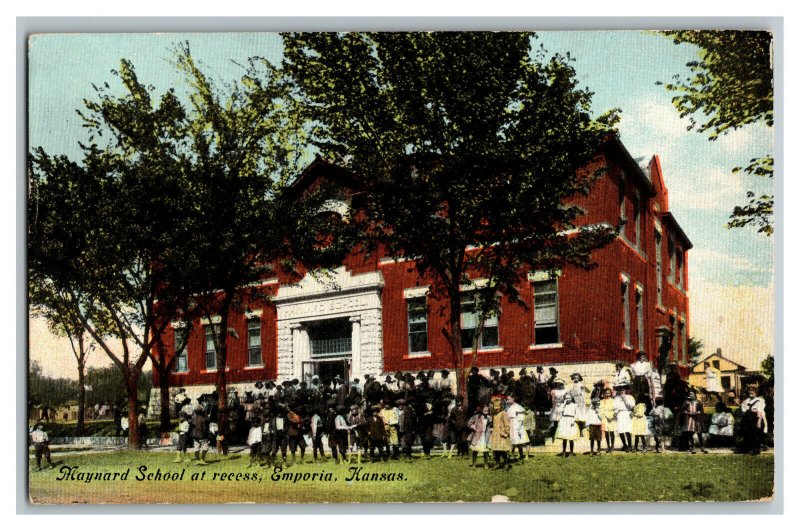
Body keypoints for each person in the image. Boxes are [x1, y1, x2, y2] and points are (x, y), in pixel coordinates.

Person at [739, 384, 767, 454]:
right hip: (748, 418)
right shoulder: (746, 401)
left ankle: (756, 449)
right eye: (749, 393)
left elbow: (760, 411)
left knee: (756, 433)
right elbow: (744, 409)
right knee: (748, 433)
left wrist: (759, 421)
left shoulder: (760, 400)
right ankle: (748, 448)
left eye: (752, 393)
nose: (751, 394)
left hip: (756, 418)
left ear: (756, 393)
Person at [505, 392, 530, 462]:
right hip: (510, 424)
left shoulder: (518, 407)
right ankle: (511, 455)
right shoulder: (507, 407)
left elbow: (521, 418)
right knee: (512, 441)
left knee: (519, 441)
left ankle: (522, 455)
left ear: (513, 398)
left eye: (509, 399)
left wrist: (518, 428)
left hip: (517, 424)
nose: (507, 401)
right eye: (507, 400)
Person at [489, 398, 512, 470]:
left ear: (501, 406)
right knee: (496, 450)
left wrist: (505, 432)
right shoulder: (494, 414)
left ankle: (506, 464)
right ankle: (497, 463)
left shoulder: (503, 414)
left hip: (502, 435)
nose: (496, 408)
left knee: (503, 450)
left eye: (498, 406)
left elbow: (507, 425)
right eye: (495, 407)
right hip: (496, 434)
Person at [467, 404, 490, 468]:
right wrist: (473, 426)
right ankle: (474, 463)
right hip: (477, 436)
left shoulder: (488, 418)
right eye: (485, 411)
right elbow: (469, 423)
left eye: (487, 411)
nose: (486, 412)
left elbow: (488, 427)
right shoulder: (477, 416)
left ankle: (486, 463)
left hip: (484, 436)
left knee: (485, 451)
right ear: (481, 410)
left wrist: (488, 435)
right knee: (475, 450)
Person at [555, 393, 579, 457]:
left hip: (571, 420)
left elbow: (576, 414)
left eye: (569, 398)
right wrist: (564, 404)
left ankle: (571, 451)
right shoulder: (563, 405)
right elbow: (559, 411)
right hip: (564, 420)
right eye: (566, 398)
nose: (568, 399)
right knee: (564, 437)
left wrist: (573, 420)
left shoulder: (574, 405)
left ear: (571, 398)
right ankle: (564, 451)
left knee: (571, 437)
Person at [613, 385, 635, 452]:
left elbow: (631, 406)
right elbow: (615, 407)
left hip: (627, 413)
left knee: (627, 430)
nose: (622, 391)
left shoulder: (630, 397)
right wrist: (616, 413)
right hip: (620, 414)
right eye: (620, 390)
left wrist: (624, 398)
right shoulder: (616, 398)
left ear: (625, 390)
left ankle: (630, 445)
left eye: (623, 390)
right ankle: (624, 445)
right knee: (621, 430)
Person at [599, 387, 617, 452]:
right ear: (604, 393)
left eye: (609, 393)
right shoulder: (602, 401)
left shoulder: (613, 400)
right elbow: (600, 410)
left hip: (611, 416)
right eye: (606, 393)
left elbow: (616, 409)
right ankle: (608, 446)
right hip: (605, 417)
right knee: (606, 432)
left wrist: (613, 415)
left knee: (612, 432)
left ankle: (612, 446)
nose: (608, 395)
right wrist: (602, 416)